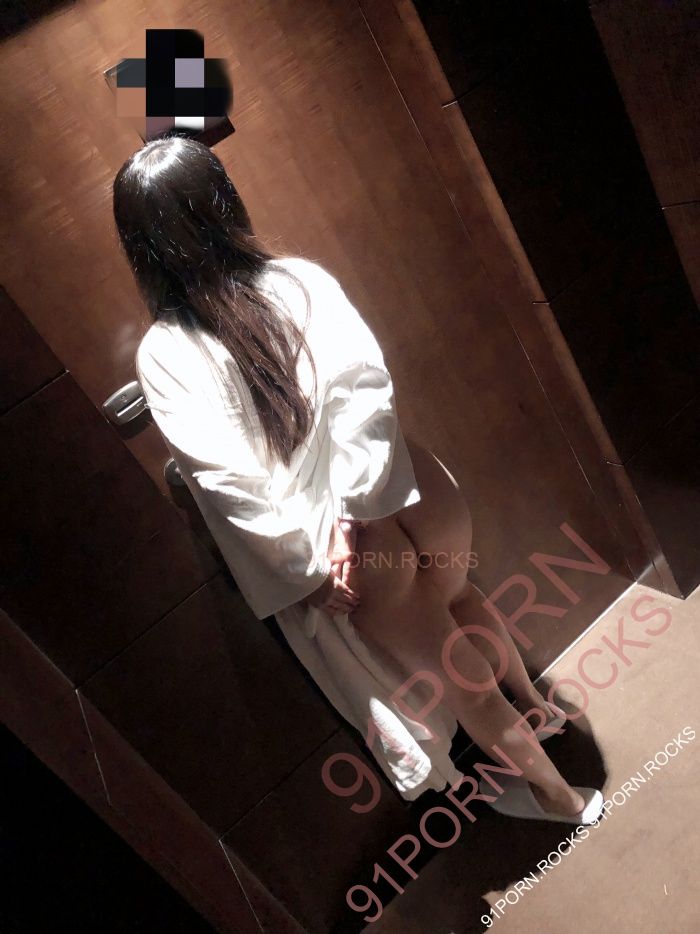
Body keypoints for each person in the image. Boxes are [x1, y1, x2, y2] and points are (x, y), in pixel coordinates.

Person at [113, 135, 603, 824]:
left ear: (141, 246)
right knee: (463, 598)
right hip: (411, 483)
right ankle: (539, 712)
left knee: (457, 677)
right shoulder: (297, 279)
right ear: (222, 203)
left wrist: (310, 562)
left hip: (351, 552)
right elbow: (365, 389)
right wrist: (359, 508)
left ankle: (560, 798)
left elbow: (227, 482)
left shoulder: (166, 352)